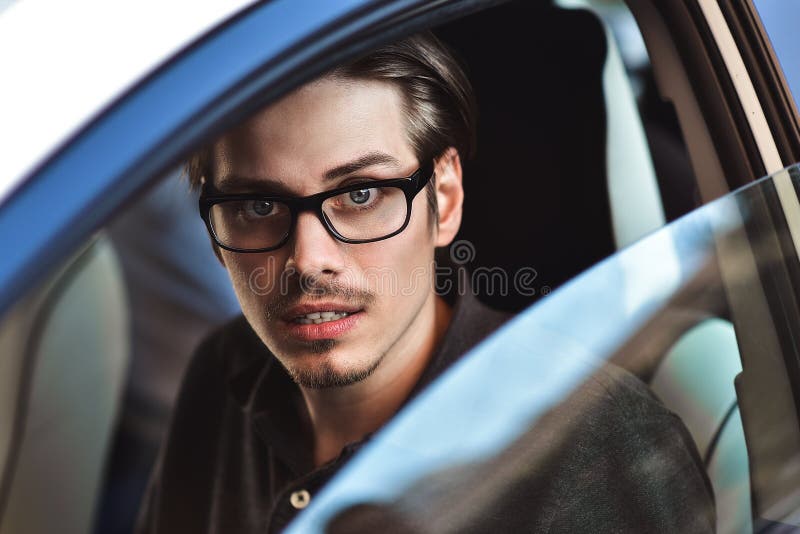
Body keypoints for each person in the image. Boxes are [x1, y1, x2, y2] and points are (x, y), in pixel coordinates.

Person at [136, 32, 714, 533]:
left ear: (445, 197)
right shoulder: (220, 370)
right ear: (213, 234)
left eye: (361, 194)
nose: (308, 260)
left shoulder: (601, 449)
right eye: (257, 204)